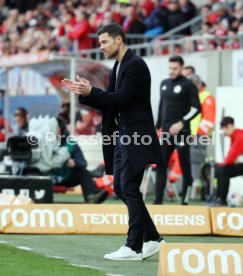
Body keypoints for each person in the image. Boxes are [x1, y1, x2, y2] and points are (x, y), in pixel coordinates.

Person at [62, 23, 164, 261]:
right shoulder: (116, 67)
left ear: (119, 40)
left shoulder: (135, 64)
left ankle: (134, 247)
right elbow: (110, 101)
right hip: (121, 136)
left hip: (136, 136)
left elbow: (121, 99)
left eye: (104, 42)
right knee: (120, 187)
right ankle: (153, 239)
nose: (101, 47)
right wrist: (86, 93)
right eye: (99, 43)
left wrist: (92, 91)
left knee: (128, 187)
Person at [155, 55, 201, 205]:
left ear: (181, 68)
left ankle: (184, 201)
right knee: (161, 165)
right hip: (166, 133)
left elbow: (197, 108)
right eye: (170, 68)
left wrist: (182, 123)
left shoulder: (188, 85)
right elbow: (162, 106)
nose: (171, 71)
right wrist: (157, 126)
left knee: (184, 165)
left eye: (175, 68)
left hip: (182, 133)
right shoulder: (164, 84)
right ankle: (157, 202)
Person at [55, 117, 108, 204]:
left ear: (61, 129)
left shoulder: (70, 144)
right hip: (46, 176)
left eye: (55, 127)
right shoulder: (43, 141)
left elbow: (83, 162)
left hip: (64, 176)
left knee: (83, 172)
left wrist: (74, 162)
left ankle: (91, 196)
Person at [189, 74, 216, 198]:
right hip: (192, 135)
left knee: (196, 162)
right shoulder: (196, 96)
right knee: (195, 162)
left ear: (199, 84)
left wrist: (199, 133)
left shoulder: (206, 97)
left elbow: (209, 120)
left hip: (199, 136)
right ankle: (201, 190)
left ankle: (202, 190)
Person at [215, 117, 243, 205]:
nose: (223, 131)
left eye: (224, 128)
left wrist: (224, 163)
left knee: (224, 170)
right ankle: (218, 198)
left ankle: (222, 200)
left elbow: (231, 158)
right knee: (219, 168)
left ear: (230, 126)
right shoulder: (234, 136)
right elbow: (231, 156)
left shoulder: (239, 136)